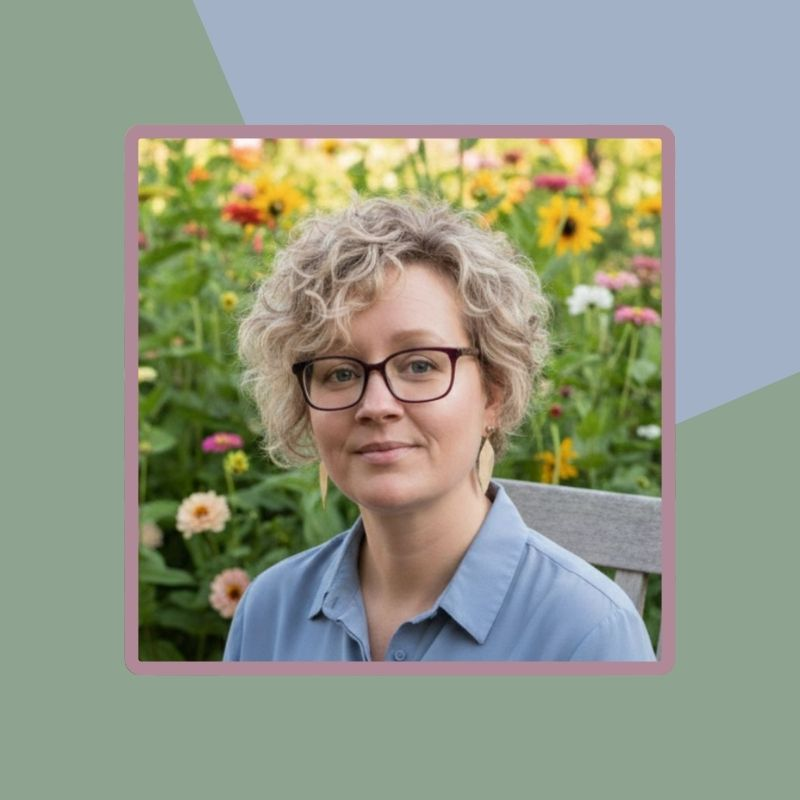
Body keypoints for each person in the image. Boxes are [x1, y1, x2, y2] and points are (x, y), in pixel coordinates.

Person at [226, 197, 655, 661]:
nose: (376, 405)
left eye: (419, 364)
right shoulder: (269, 615)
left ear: (493, 392)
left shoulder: (587, 634)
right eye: (340, 372)